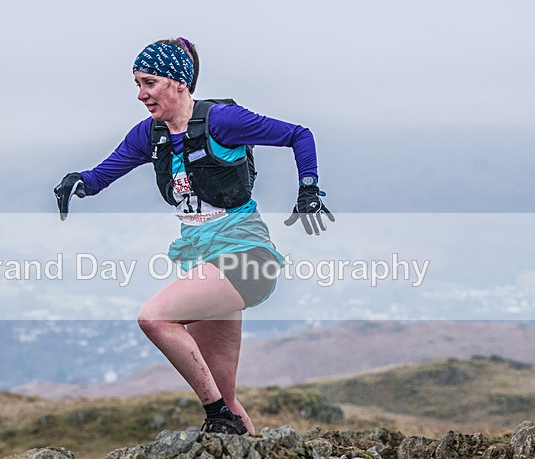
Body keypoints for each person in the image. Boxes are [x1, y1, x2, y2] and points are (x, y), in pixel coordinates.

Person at [55, 37, 333, 435]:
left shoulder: (221, 121)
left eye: (149, 82)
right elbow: (102, 176)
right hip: (203, 262)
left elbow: (299, 135)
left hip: (246, 258)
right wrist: (77, 182)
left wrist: (308, 189)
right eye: (136, 83)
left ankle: (216, 414)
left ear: (178, 82)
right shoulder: (150, 135)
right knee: (227, 394)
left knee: (154, 317)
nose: (141, 94)